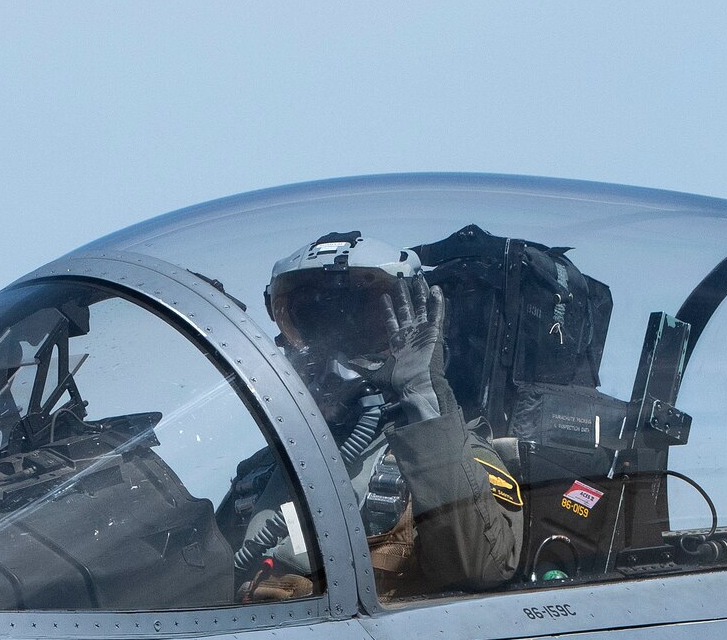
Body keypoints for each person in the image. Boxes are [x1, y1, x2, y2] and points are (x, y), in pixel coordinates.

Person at [224, 231, 523, 601]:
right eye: (312, 325)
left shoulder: (449, 459)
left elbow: (482, 566)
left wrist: (423, 398)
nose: (330, 355)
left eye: (360, 329)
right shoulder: (267, 468)